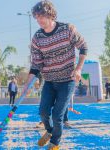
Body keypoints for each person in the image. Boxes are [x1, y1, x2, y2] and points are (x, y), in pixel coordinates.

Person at [24, 1, 88, 149]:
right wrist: (28, 83)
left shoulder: (67, 30)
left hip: (67, 81)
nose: (38, 20)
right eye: (37, 17)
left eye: (42, 16)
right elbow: (36, 64)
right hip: (50, 81)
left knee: (57, 115)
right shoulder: (37, 38)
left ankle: (54, 143)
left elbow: (83, 47)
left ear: (51, 14)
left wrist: (78, 69)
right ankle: (50, 131)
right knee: (43, 113)